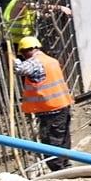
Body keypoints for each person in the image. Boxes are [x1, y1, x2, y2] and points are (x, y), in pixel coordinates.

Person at [14, 36, 74, 172]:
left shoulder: (35, 62)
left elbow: (19, 69)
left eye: (23, 54)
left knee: (50, 142)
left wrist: (12, 57)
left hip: (50, 110)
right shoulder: (50, 60)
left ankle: (59, 171)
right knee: (63, 138)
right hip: (62, 106)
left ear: (27, 50)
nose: (23, 57)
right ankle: (66, 165)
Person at [1, 0, 72, 44]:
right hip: (14, 41)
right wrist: (60, 8)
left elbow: (31, 12)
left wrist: (45, 15)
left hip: (15, 39)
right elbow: (34, 6)